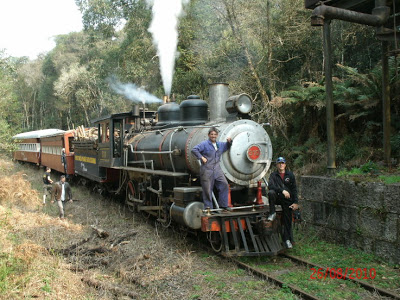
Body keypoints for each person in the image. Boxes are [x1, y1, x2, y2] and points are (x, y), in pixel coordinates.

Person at [191, 127, 232, 211]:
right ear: (209, 135)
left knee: (224, 185)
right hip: (207, 169)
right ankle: (208, 207)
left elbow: (227, 146)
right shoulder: (204, 144)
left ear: (217, 135)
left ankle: (224, 205)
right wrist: (201, 157)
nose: (213, 136)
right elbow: (194, 150)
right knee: (207, 189)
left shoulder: (220, 144)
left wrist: (229, 142)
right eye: (211, 134)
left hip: (217, 169)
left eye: (215, 134)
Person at [267, 157, 299, 249]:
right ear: (276, 165)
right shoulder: (273, 175)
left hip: (287, 200)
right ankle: (272, 213)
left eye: (283, 163)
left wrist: (296, 202)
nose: (281, 164)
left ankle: (287, 239)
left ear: (285, 164)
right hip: (277, 197)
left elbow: (294, 189)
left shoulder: (290, 175)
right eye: (279, 163)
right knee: (271, 193)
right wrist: (282, 190)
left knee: (287, 219)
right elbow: (270, 186)